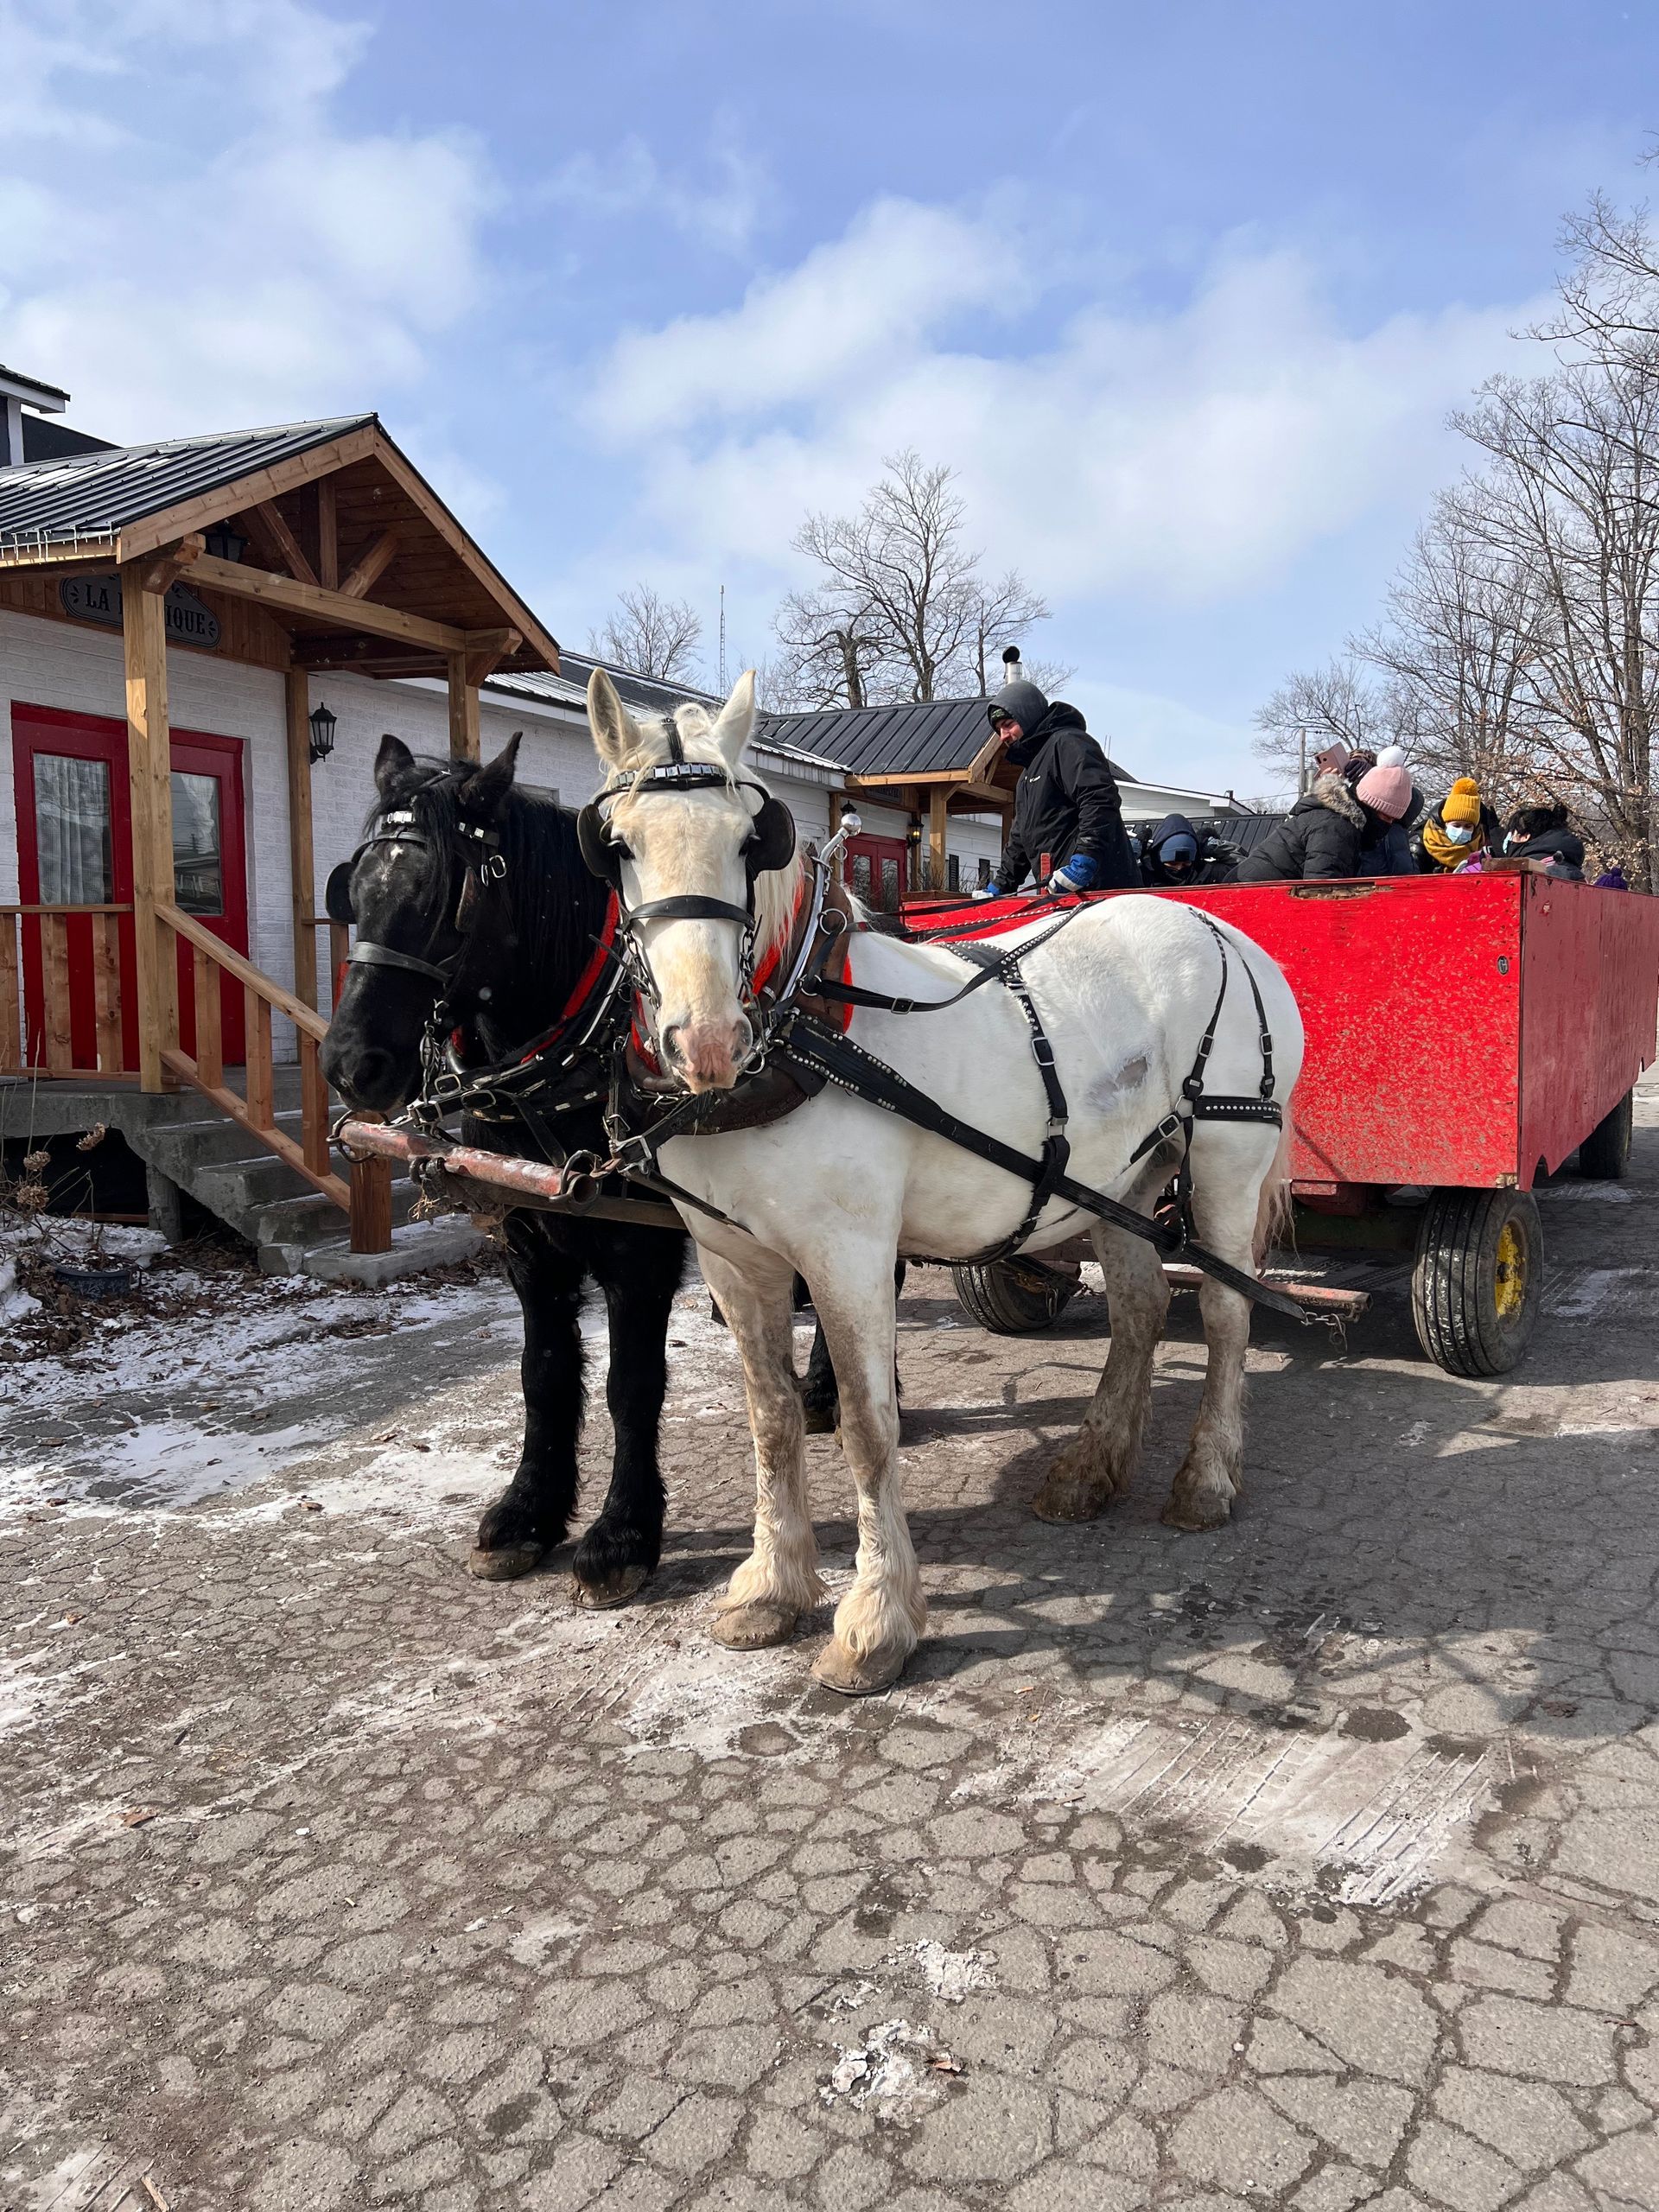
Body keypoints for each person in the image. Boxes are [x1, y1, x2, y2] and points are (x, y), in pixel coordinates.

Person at [976, 672, 1140, 897]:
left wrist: (1085, 859)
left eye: (1008, 724)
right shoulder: (1027, 775)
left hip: (1101, 889)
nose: (1003, 736)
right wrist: (999, 886)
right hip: (1060, 893)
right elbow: (1020, 837)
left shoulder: (1068, 743)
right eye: (999, 730)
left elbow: (1099, 799)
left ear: (1027, 715)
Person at [1413, 777, 1501, 873]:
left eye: (1468, 826)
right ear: (1445, 823)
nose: (1461, 830)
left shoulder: (1482, 844)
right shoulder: (1420, 843)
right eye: (1456, 825)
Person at [1137, 812, 1237, 887]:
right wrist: (1130, 855)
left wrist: (1214, 847)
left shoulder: (1204, 873)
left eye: (1186, 863)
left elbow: (1243, 870)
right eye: (1172, 864)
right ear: (1159, 858)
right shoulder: (1141, 876)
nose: (1179, 868)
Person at [1499, 798, 1586, 880]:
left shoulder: (1530, 870)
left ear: (1525, 836)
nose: (1510, 840)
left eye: (1512, 835)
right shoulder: (1573, 869)